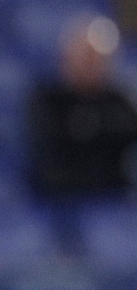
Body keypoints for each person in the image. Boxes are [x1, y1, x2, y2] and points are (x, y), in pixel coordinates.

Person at [28, 15, 137, 199]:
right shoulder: (49, 100)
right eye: (85, 57)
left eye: (96, 58)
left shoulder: (119, 102)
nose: (90, 64)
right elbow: (51, 145)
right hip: (61, 198)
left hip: (113, 196)